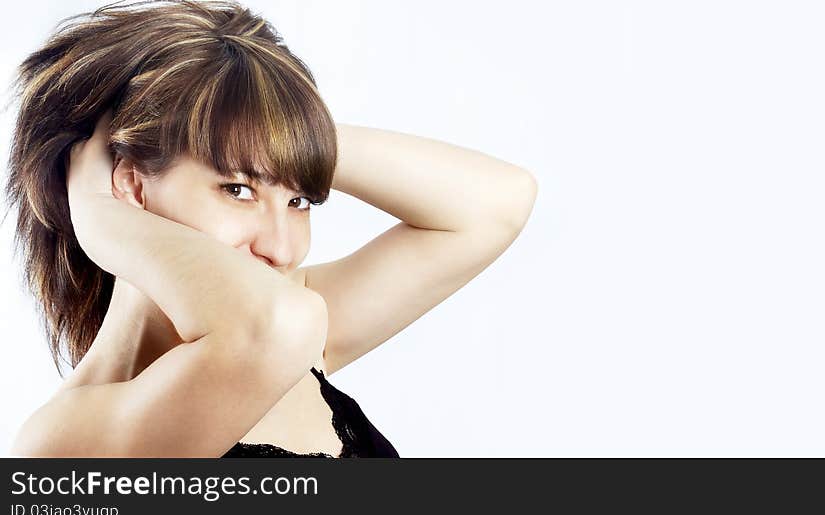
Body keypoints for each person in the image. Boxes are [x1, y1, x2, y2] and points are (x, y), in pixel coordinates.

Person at [5, 0, 537, 458]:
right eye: (237, 190)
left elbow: (497, 204)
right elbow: (274, 327)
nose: (282, 247)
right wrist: (99, 212)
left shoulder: (299, 333)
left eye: (300, 200)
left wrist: (283, 131)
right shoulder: (63, 441)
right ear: (132, 185)